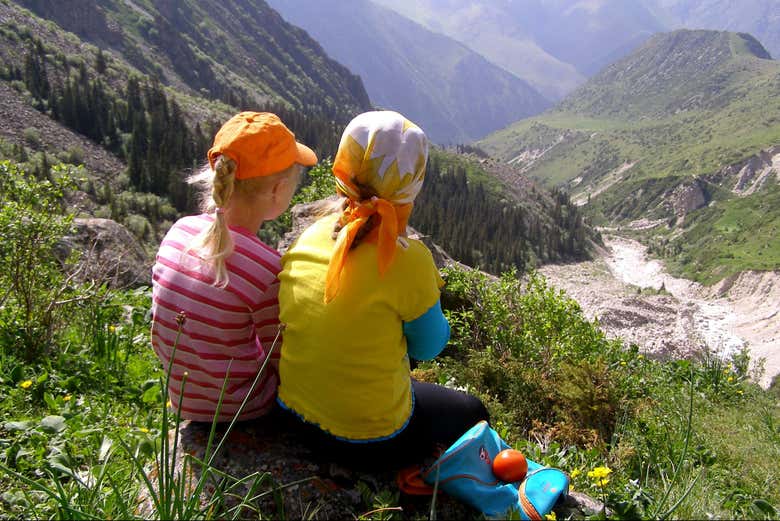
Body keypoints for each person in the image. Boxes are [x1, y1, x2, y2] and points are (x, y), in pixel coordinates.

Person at [276, 110, 488, 470]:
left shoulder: (310, 235)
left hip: (292, 416)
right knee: (472, 411)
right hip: (370, 441)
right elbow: (430, 346)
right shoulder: (410, 261)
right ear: (412, 185)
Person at [151, 111, 318, 423]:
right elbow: (281, 357)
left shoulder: (179, 230)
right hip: (245, 408)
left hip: (184, 398)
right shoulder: (267, 269)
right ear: (277, 190)